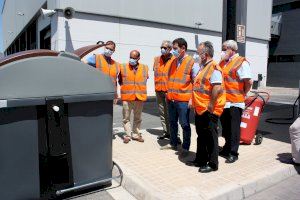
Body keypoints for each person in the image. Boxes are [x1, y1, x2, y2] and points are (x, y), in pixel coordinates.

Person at [186, 41, 226, 173]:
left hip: (209, 109)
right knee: (201, 135)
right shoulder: (202, 67)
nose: (197, 56)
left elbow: (217, 87)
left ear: (205, 54)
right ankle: (200, 159)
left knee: (211, 137)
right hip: (200, 108)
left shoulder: (214, 67)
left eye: (198, 53)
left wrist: (211, 104)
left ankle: (213, 164)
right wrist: (193, 100)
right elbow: (198, 87)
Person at [161, 38, 197, 157]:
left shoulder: (192, 62)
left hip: (183, 100)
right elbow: (170, 78)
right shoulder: (173, 61)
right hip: (171, 99)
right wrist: (167, 93)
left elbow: (196, 83)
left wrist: (192, 99)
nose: (173, 51)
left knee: (184, 124)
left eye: (175, 48)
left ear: (183, 48)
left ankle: (185, 147)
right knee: (172, 122)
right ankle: (173, 143)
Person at [219, 40, 253, 163]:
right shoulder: (223, 62)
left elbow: (248, 82)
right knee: (226, 127)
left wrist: (243, 94)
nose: (222, 51)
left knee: (234, 129)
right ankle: (227, 148)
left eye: (224, 49)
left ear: (232, 49)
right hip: (224, 102)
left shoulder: (241, 62)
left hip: (235, 101)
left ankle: (234, 153)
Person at [119, 50, 149, 143]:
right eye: (130, 57)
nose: (131, 59)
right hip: (127, 97)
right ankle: (127, 135)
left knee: (138, 117)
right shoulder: (123, 67)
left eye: (134, 58)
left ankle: (136, 134)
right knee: (126, 118)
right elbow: (120, 80)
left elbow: (145, 80)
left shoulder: (145, 67)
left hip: (139, 97)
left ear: (138, 58)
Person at [154, 40, 175, 139]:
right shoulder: (157, 59)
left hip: (169, 91)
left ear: (170, 49)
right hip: (159, 90)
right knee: (162, 113)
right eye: (161, 47)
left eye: (165, 48)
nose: (162, 49)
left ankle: (175, 135)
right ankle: (166, 132)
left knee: (172, 114)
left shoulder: (174, 60)